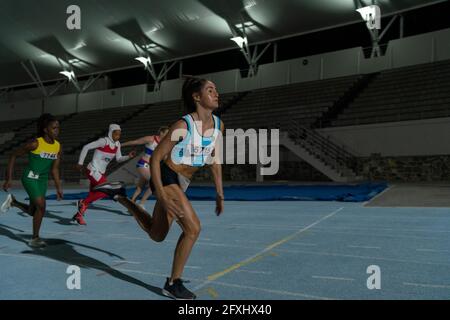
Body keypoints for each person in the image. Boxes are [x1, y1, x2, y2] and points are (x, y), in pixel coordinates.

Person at [94, 77, 224, 299]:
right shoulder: (184, 125)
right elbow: (155, 159)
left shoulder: (219, 125)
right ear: (196, 97)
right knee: (193, 228)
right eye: (210, 90)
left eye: (216, 89)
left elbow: (214, 158)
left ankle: (122, 197)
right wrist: (162, 196)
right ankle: (173, 283)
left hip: (182, 181)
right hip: (167, 175)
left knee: (157, 234)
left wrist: (219, 193)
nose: (216, 93)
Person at [1, 113, 63, 248]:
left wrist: (59, 188)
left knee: (34, 211)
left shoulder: (58, 146)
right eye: (54, 128)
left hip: (42, 180)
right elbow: (13, 155)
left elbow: (55, 169)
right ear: (46, 130)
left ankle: (14, 202)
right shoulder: (35, 143)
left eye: (58, 128)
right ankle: (35, 238)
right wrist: (8, 179)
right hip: (30, 177)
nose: (57, 130)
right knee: (41, 205)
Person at [73, 124, 136, 225]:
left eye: (119, 135)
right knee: (105, 190)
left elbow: (119, 159)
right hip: (92, 170)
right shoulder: (103, 141)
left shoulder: (117, 144)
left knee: (93, 195)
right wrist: (80, 163)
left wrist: (128, 156)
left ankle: (79, 215)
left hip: (100, 173)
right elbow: (86, 147)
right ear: (111, 133)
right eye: (116, 134)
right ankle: (82, 203)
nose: (118, 137)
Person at [121, 126, 169, 209]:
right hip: (143, 164)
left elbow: (165, 159)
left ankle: (131, 206)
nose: (168, 135)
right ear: (161, 132)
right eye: (166, 133)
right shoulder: (151, 139)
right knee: (154, 183)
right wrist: (120, 145)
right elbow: (135, 142)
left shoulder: (164, 144)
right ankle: (141, 203)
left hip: (151, 167)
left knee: (140, 188)